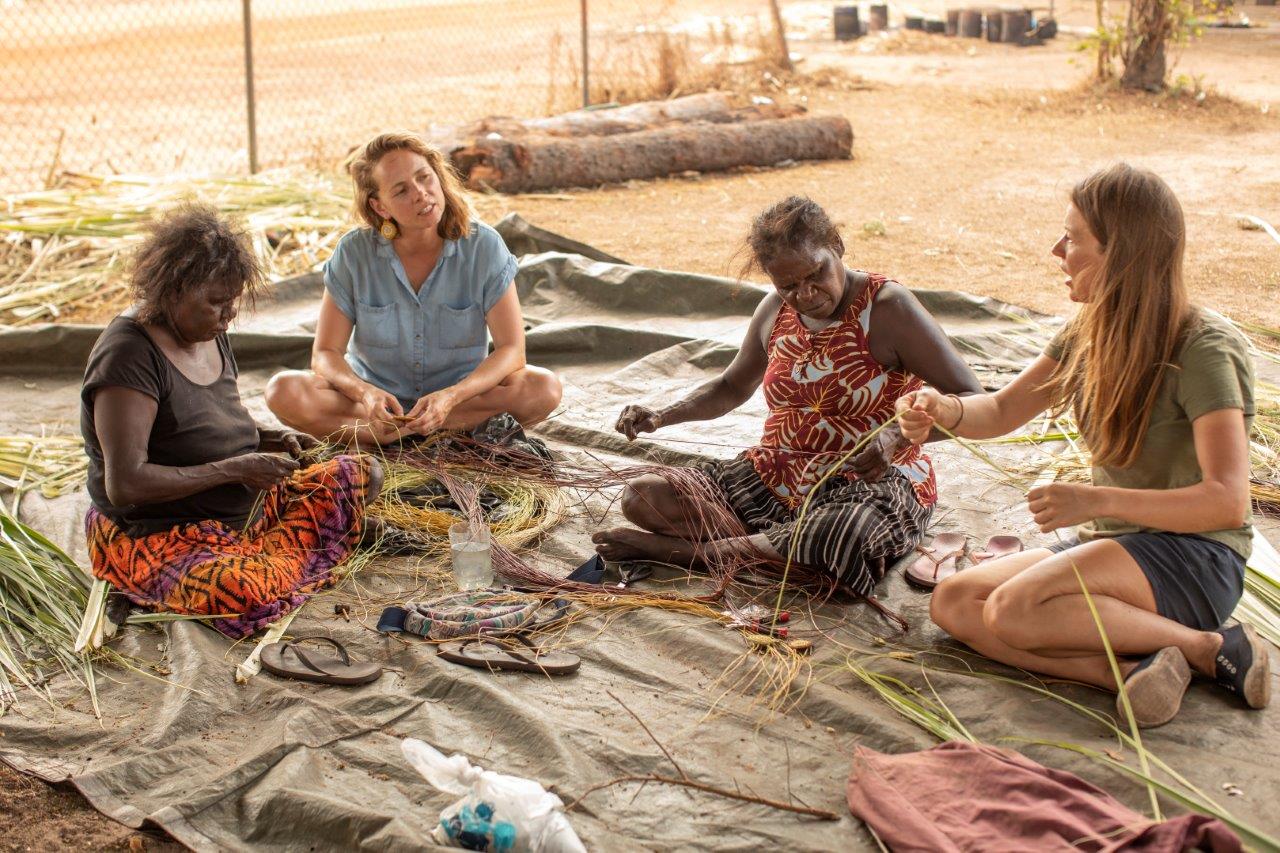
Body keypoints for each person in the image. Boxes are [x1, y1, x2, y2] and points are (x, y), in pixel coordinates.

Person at [896, 164, 1271, 727]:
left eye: (1072, 238)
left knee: (1014, 609)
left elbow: (1226, 501)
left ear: (1119, 254)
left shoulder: (1204, 349)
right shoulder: (1088, 332)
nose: (1057, 249)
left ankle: (1205, 644)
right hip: (1117, 546)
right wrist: (945, 409)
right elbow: (999, 410)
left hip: (1196, 557)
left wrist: (1098, 501)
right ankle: (1134, 668)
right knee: (954, 602)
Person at [593, 196, 983, 595]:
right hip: (776, 476)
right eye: (789, 285)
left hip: (871, 485)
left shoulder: (888, 308)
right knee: (644, 495)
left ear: (838, 248)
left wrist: (896, 436)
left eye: (816, 274)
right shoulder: (775, 310)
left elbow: (972, 398)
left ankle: (681, 553)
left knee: (840, 534)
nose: (806, 294)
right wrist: (661, 414)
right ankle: (766, 548)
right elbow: (730, 386)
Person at [81, 205, 382, 639]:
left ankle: (285, 546)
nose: (228, 316)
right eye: (217, 303)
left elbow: (214, 420)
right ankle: (314, 543)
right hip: (162, 533)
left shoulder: (207, 331)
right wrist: (237, 469)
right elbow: (125, 484)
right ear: (173, 291)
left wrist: (271, 437)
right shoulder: (128, 356)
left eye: (233, 302)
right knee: (242, 592)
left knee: (361, 474)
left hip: (243, 508)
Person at [264, 131, 562, 447]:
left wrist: (450, 397)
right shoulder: (353, 254)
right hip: (371, 407)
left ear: (438, 176)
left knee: (544, 388)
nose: (421, 193)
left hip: (460, 402)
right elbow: (325, 354)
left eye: (424, 178)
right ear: (380, 207)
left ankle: (403, 433)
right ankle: (407, 431)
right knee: (283, 391)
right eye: (401, 190)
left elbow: (511, 350)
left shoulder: (484, 246)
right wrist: (365, 393)